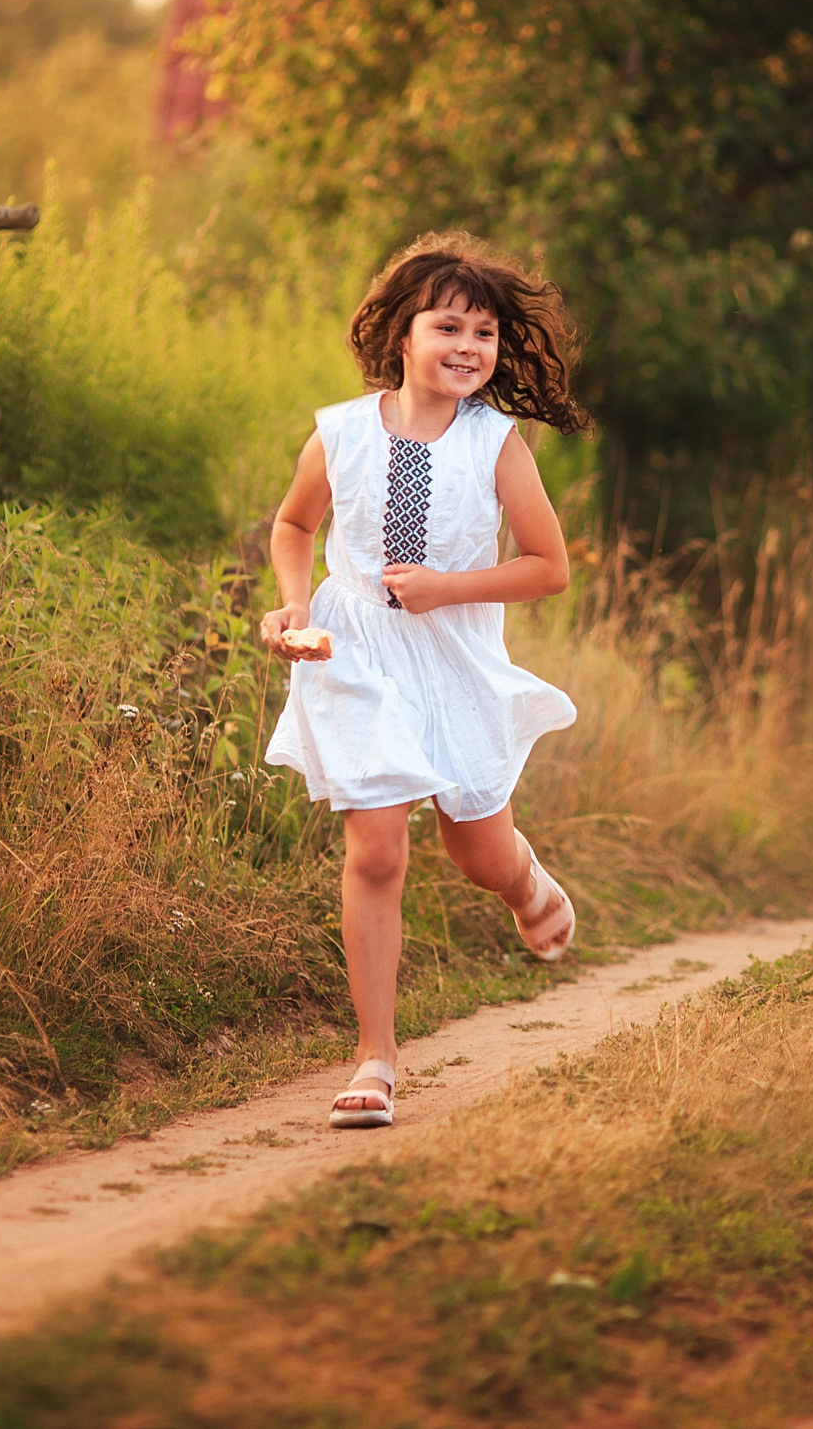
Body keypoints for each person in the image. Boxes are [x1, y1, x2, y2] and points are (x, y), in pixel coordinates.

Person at [259, 232, 595, 1127]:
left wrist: (450, 588)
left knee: (475, 853)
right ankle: (376, 1056)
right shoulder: (340, 432)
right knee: (376, 849)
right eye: (448, 325)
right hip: (356, 650)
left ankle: (526, 883)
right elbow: (293, 528)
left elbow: (548, 565)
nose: (468, 347)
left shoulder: (495, 443)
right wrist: (296, 608)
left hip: (453, 658)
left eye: (484, 334)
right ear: (402, 333)